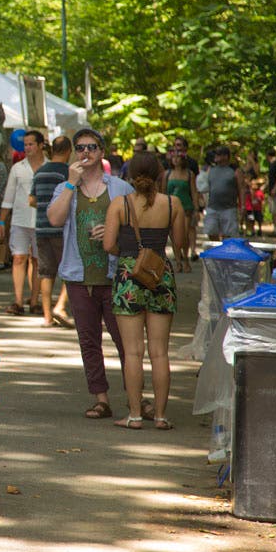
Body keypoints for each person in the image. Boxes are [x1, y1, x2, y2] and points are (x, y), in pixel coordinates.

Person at [47, 128, 136, 420]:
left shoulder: (120, 188)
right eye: (80, 148)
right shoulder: (65, 188)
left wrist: (113, 233)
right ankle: (101, 399)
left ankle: (137, 399)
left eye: (92, 147)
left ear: (102, 151)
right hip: (78, 277)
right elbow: (54, 219)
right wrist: (71, 184)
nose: (86, 152)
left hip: (115, 276)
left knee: (127, 341)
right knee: (89, 341)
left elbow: (137, 229)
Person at [103, 151, 185, 430]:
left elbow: (108, 245)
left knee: (133, 352)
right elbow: (181, 243)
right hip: (160, 274)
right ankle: (161, 416)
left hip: (129, 277)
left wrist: (128, 255)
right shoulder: (172, 204)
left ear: (130, 175)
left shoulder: (120, 204)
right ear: (160, 175)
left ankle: (135, 415)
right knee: (160, 352)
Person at [0, 130, 47, 315]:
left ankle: (35, 301)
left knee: (37, 261)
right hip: (20, 220)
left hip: (42, 221)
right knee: (19, 258)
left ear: (41, 145)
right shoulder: (17, 168)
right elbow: (8, 197)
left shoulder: (49, 167)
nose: (27, 148)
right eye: (25, 144)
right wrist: (2, 221)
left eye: (31, 144)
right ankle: (18, 301)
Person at [29, 136, 73, 328]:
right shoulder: (68, 173)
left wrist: (45, 206)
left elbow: (31, 200)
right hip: (62, 228)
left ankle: (47, 317)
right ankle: (60, 306)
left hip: (41, 227)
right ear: (69, 151)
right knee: (70, 269)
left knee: (46, 272)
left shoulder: (39, 172)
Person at [164, 147, 198, 272]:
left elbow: (194, 192)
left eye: (178, 157)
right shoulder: (167, 174)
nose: (176, 160)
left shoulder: (189, 174)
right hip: (170, 208)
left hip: (186, 207)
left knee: (183, 235)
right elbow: (163, 192)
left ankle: (186, 260)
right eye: (173, 157)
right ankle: (178, 261)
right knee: (173, 236)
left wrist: (196, 209)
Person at [203, 145, 244, 241]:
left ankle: (225, 253)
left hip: (229, 208)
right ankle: (216, 251)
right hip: (213, 207)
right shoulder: (211, 170)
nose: (215, 156)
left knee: (228, 234)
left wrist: (243, 206)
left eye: (218, 154)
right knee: (211, 231)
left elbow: (241, 189)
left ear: (225, 156)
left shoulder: (235, 170)